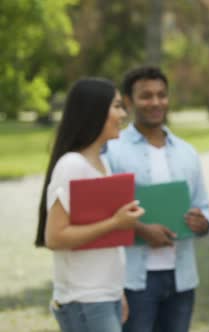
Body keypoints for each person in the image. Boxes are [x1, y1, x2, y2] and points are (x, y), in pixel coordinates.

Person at [105, 66, 209, 332]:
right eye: (146, 96)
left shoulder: (187, 152)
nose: (155, 102)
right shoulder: (113, 150)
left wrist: (203, 222)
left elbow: (204, 206)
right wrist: (142, 230)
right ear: (129, 102)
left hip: (182, 279)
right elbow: (105, 213)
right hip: (134, 280)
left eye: (161, 95)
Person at [35, 78, 145, 332]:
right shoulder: (72, 165)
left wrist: (117, 292)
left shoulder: (101, 163)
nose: (123, 114)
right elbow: (55, 237)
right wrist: (116, 223)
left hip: (105, 296)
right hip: (84, 299)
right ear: (95, 111)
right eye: (117, 106)